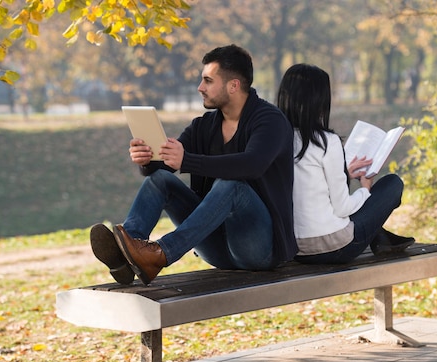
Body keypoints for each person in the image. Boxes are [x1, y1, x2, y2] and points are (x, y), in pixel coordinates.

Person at [91, 44, 297, 285]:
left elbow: (252, 165)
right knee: (160, 181)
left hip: (260, 250)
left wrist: (187, 160)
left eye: (208, 81)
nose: (200, 88)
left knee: (232, 185)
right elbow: (167, 166)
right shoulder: (203, 126)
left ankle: (161, 253)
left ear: (233, 85)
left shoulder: (270, 120)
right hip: (218, 249)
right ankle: (130, 253)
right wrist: (148, 161)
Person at [276, 63, 414, 264]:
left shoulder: (276, 140)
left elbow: (304, 189)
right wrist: (365, 189)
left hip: (293, 249)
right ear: (319, 101)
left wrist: (343, 173)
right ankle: (381, 238)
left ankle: (383, 240)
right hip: (333, 248)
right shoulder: (326, 141)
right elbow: (342, 208)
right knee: (392, 184)